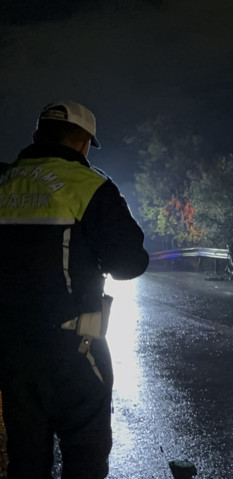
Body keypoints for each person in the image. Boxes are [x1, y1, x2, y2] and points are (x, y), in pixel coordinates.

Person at [0, 101, 149, 477]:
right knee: (85, 456)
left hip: (11, 351)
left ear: (37, 136)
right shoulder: (90, 186)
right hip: (74, 351)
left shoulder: (4, 181)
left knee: (25, 458)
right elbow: (130, 263)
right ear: (84, 144)